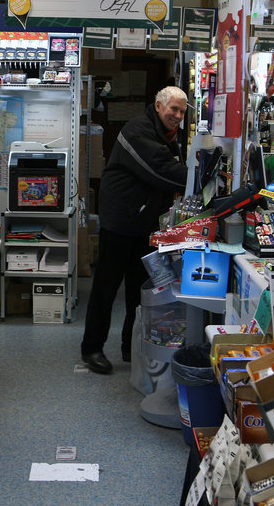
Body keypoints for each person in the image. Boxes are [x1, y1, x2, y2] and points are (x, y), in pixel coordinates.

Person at [80, 86, 189, 374]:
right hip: (121, 220)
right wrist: (199, 179)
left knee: (140, 289)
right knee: (106, 287)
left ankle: (131, 348)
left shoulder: (166, 134)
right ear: (158, 106)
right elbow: (161, 170)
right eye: (173, 109)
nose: (178, 115)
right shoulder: (138, 131)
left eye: (182, 111)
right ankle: (92, 349)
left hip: (144, 221)